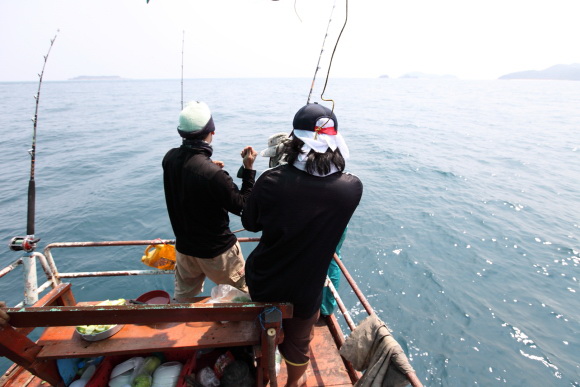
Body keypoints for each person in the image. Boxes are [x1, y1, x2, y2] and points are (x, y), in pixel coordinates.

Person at [242, 102, 363, 387]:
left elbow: (250, 223)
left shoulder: (271, 180)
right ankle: (293, 383)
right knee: (299, 344)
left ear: (294, 140)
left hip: (265, 280)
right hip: (307, 290)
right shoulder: (351, 188)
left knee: (262, 331)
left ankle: (262, 366)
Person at [163, 101, 258, 302]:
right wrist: (248, 170)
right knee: (243, 296)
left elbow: (188, 174)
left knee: (182, 301)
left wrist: (208, 168)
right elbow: (243, 206)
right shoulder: (213, 175)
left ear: (181, 132)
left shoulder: (169, 158)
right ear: (211, 132)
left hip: (185, 251)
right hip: (218, 254)